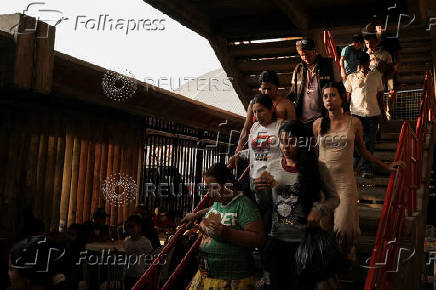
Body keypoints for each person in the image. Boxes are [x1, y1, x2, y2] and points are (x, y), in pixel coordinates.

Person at [313, 82, 402, 260]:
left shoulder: (354, 122)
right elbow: (316, 156)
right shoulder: (318, 124)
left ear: (342, 98)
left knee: (344, 229)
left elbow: (363, 151)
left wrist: (385, 165)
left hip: (345, 185)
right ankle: (332, 270)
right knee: (324, 232)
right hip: (323, 186)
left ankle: (346, 256)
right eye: (325, 96)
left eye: (332, 95)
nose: (328, 99)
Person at [253, 120, 340, 289]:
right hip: (277, 239)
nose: (285, 146)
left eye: (291, 142)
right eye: (283, 141)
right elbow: (267, 204)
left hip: (304, 242)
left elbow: (334, 198)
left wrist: (318, 209)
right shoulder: (272, 166)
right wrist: (259, 190)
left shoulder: (317, 168)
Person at [183, 163, 264, 290]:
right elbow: (215, 209)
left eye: (214, 187)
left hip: (232, 281)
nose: (210, 193)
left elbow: (258, 238)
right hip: (207, 277)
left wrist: (228, 233)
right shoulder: (219, 203)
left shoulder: (245, 206)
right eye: (208, 188)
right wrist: (196, 215)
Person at [230, 94, 284, 234]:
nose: (257, 115)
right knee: (258, 214)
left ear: (271, 109)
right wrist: (239, 154)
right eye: (254, 112)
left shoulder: (280, 125)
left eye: (261, 111)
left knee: (274, 215)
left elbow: (287, 154)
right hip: (255, 180)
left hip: (273, 181)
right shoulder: (254, 127)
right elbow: (254, 152)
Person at [235, 70, 295, 154]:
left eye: (269, 88)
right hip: (257, 147)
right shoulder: (254, 103)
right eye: (264, 89)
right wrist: (239, 147)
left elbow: (292, 131)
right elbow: (246, 128)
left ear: (276, 87)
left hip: (277, 150)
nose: (266, 92)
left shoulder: (286, 104)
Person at [345, 53, 385, 178]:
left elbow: (380, 96)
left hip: (373, 114)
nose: (362, 66)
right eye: (360, 63)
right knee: (356, 141)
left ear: (368, 63)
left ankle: (367, 168)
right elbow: (347, 96)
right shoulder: (351, 77)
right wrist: (346, 111)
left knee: (370, 142)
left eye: (364, 63)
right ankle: (354, 166)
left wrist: (382, 113)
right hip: (356, 114)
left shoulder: (377, 75)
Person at [288, 38, 341, 130]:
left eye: (307, 54)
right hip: (302, 121)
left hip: (324, 118)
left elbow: (340, 89)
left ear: (315, 51)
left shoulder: (329, 64)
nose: (305, 58)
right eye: (302, 55)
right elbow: (293, 93)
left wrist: (345, 109)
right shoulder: (298, 69)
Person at [376, 25, 402, 118]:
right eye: (378, 26)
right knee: (379, 90)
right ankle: (380, 110)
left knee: (392, 89)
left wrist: (397, 65)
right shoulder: (373, 38)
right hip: (377, 70)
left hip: (390, 68)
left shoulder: (392, 37)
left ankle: (388, 110)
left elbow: (398, 53)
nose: (380, 28)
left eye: (381, 26)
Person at [124, 215, 154, 290]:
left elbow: (150, 258)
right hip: (129, 274)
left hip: (141, 275)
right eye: (128, 227)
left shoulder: (145, 242)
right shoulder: (126, 241)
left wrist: (148, 274)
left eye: (132, 226)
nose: (129, 229)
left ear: (139, 227)